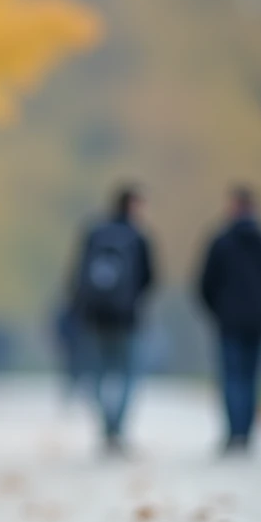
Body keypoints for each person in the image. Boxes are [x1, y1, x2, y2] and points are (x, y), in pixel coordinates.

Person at [197, 186, 261, 455]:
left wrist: (218, 309)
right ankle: (246, 433)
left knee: (232, 377)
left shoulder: (221, 241)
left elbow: (204, 283)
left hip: (229, 320)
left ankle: (234, 433)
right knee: (251, 377)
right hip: (258, 320)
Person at [68, 185, 155, 454]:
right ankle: (117, 427)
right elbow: (149, 278)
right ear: (132, 206)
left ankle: (106, 424)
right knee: (128, 374)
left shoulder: (94, 232)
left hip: (95, 316)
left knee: (97, 373)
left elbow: (77, 273)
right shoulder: (137, 237)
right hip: (127, 318)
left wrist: (79, 308)